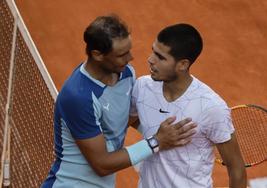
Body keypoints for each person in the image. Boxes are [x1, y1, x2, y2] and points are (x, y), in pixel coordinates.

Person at [41, 15, 197, 188]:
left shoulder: (126, 74)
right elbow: (102, 164)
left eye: (129, 50)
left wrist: (174, 133)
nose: (130, 58)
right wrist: (156, 141)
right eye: (121, 54)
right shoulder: (78, 96)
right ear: (97, 55)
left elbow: (123, 119)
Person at [130, 23, 247, 188]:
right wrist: (160, 137)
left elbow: (237, 169)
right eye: (153, 51)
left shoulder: (211, 107)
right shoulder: (142, 87)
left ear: (183, 65)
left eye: (160, 57)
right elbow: (128, 121)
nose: (150, 60)